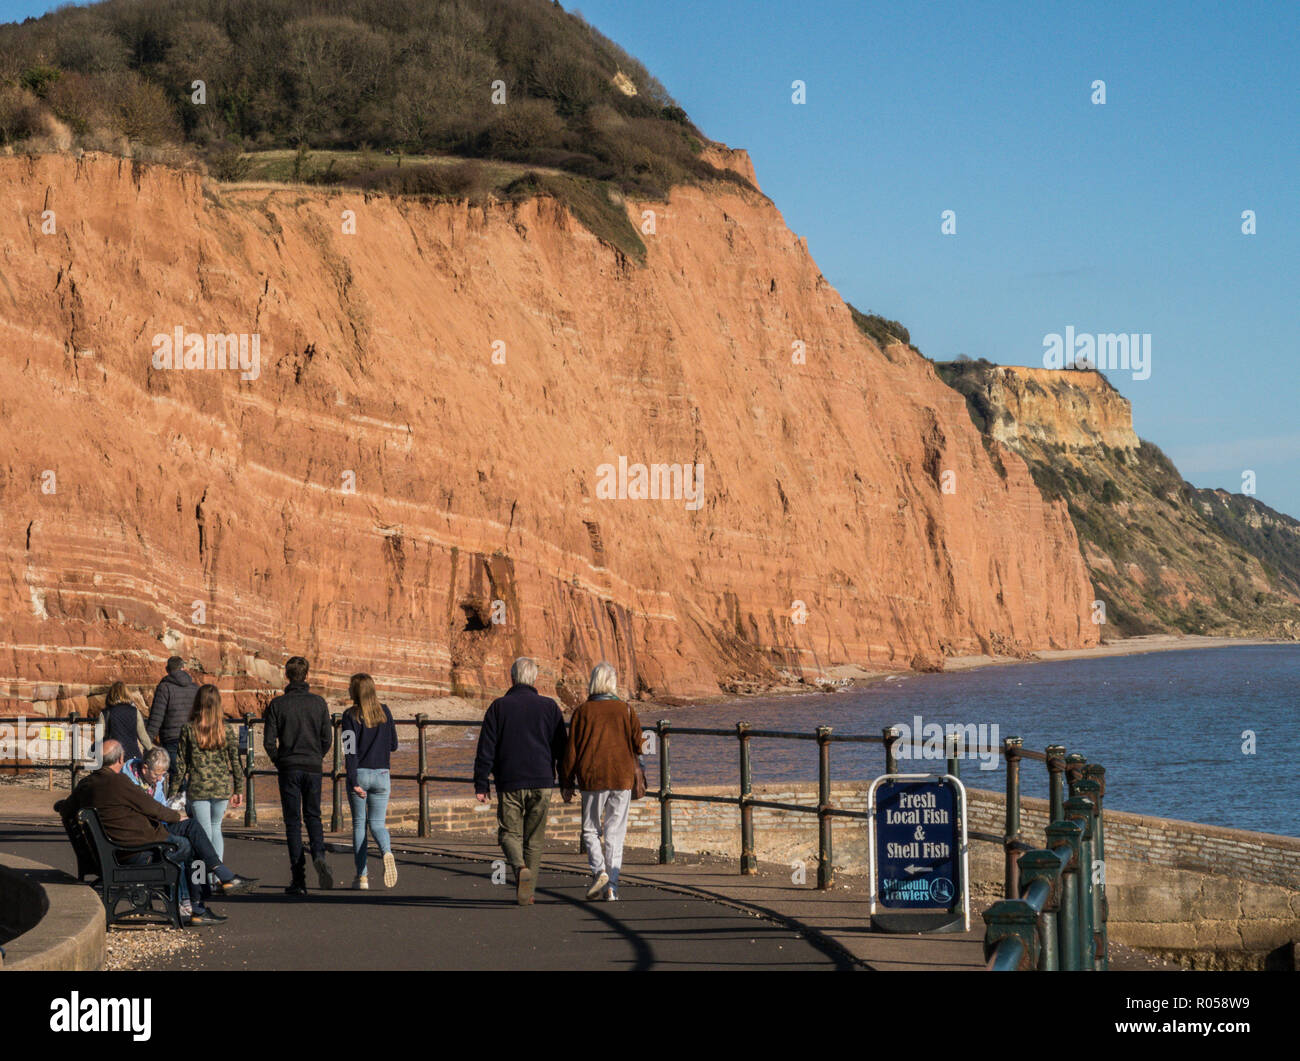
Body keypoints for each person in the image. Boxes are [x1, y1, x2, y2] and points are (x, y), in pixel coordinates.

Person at [60, 740, 256, 925]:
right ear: (120, 759)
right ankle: (201, 900)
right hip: (138, 852)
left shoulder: (85, 785)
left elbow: (63, 807)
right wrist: (177, 817)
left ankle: (216, 881)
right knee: (189, 845)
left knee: (193, 831)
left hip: (118, 849)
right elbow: (152, 807)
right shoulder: (119, 782)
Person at [473, 657, 566, 905]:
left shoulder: (499, 707)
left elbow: (486, 749)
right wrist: (566, 781)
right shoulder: (550, 707)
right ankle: (529, 891)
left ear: (512, 678)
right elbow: (561, 749)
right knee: (534, 839)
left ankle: (518, 866)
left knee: (508, 834)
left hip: (510, 780)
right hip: (543, 780)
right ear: (534, 678)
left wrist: (481, 783)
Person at [560, 662, 643, 902]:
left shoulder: (582, 712)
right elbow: (639, 744)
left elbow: (571, 751)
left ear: (593, 682)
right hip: (621, 776)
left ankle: (599, 872)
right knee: (615, 833)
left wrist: (566, 782)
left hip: (592, 777)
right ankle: (612, 887)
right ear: (613, 683)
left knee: (590, 829)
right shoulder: (626, 710)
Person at [263, 656, 333, 896]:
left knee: (293, 822)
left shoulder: (277, 705)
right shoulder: (319, 703)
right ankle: (320, 855)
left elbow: (268, 742)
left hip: (289, 768)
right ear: (307, 675)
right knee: (313, 816)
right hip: (312, 767)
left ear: (286, 676)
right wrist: (316, 755)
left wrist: (280, 760)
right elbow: (327, 739)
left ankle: (299, 879)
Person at [342, 673, 399, 890]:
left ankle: (362, 877)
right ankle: (386, 851)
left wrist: (353, 779)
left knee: (359, 824)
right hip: (382, 774)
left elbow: (350, 751)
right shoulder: (385, 712)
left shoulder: (350, 716)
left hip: (361, 774)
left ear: (354, 691)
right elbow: (393, 744)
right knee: (377, 823)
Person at [177, 684, 243, 868]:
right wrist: (238, 789)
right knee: (216, 828)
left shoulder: (188, 729)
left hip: (198, 788)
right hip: (221, 787)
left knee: (204, 832)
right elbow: (235, 762)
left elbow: (181, 764)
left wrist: (174, 791)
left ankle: (205, 877)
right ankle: (218, 874)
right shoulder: (226, 730)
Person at [146, 656, 199, 790]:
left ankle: (178, 804)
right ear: (183, 668)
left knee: (176, 776)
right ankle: (191, 805)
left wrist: (147, 740)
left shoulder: (164, 687)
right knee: (193, 774)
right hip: (193, 738)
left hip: (171, 738)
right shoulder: (195, 688)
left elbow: (157, 717)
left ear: (167, 670)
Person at [92, 682, 152, 762]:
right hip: (132, 756)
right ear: (127, 694)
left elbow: (98, 737)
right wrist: (152, 751)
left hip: (112, 756)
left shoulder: (105, 713)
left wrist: (95, 751)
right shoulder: (135, 711)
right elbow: (143, 737)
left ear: (111, 695)